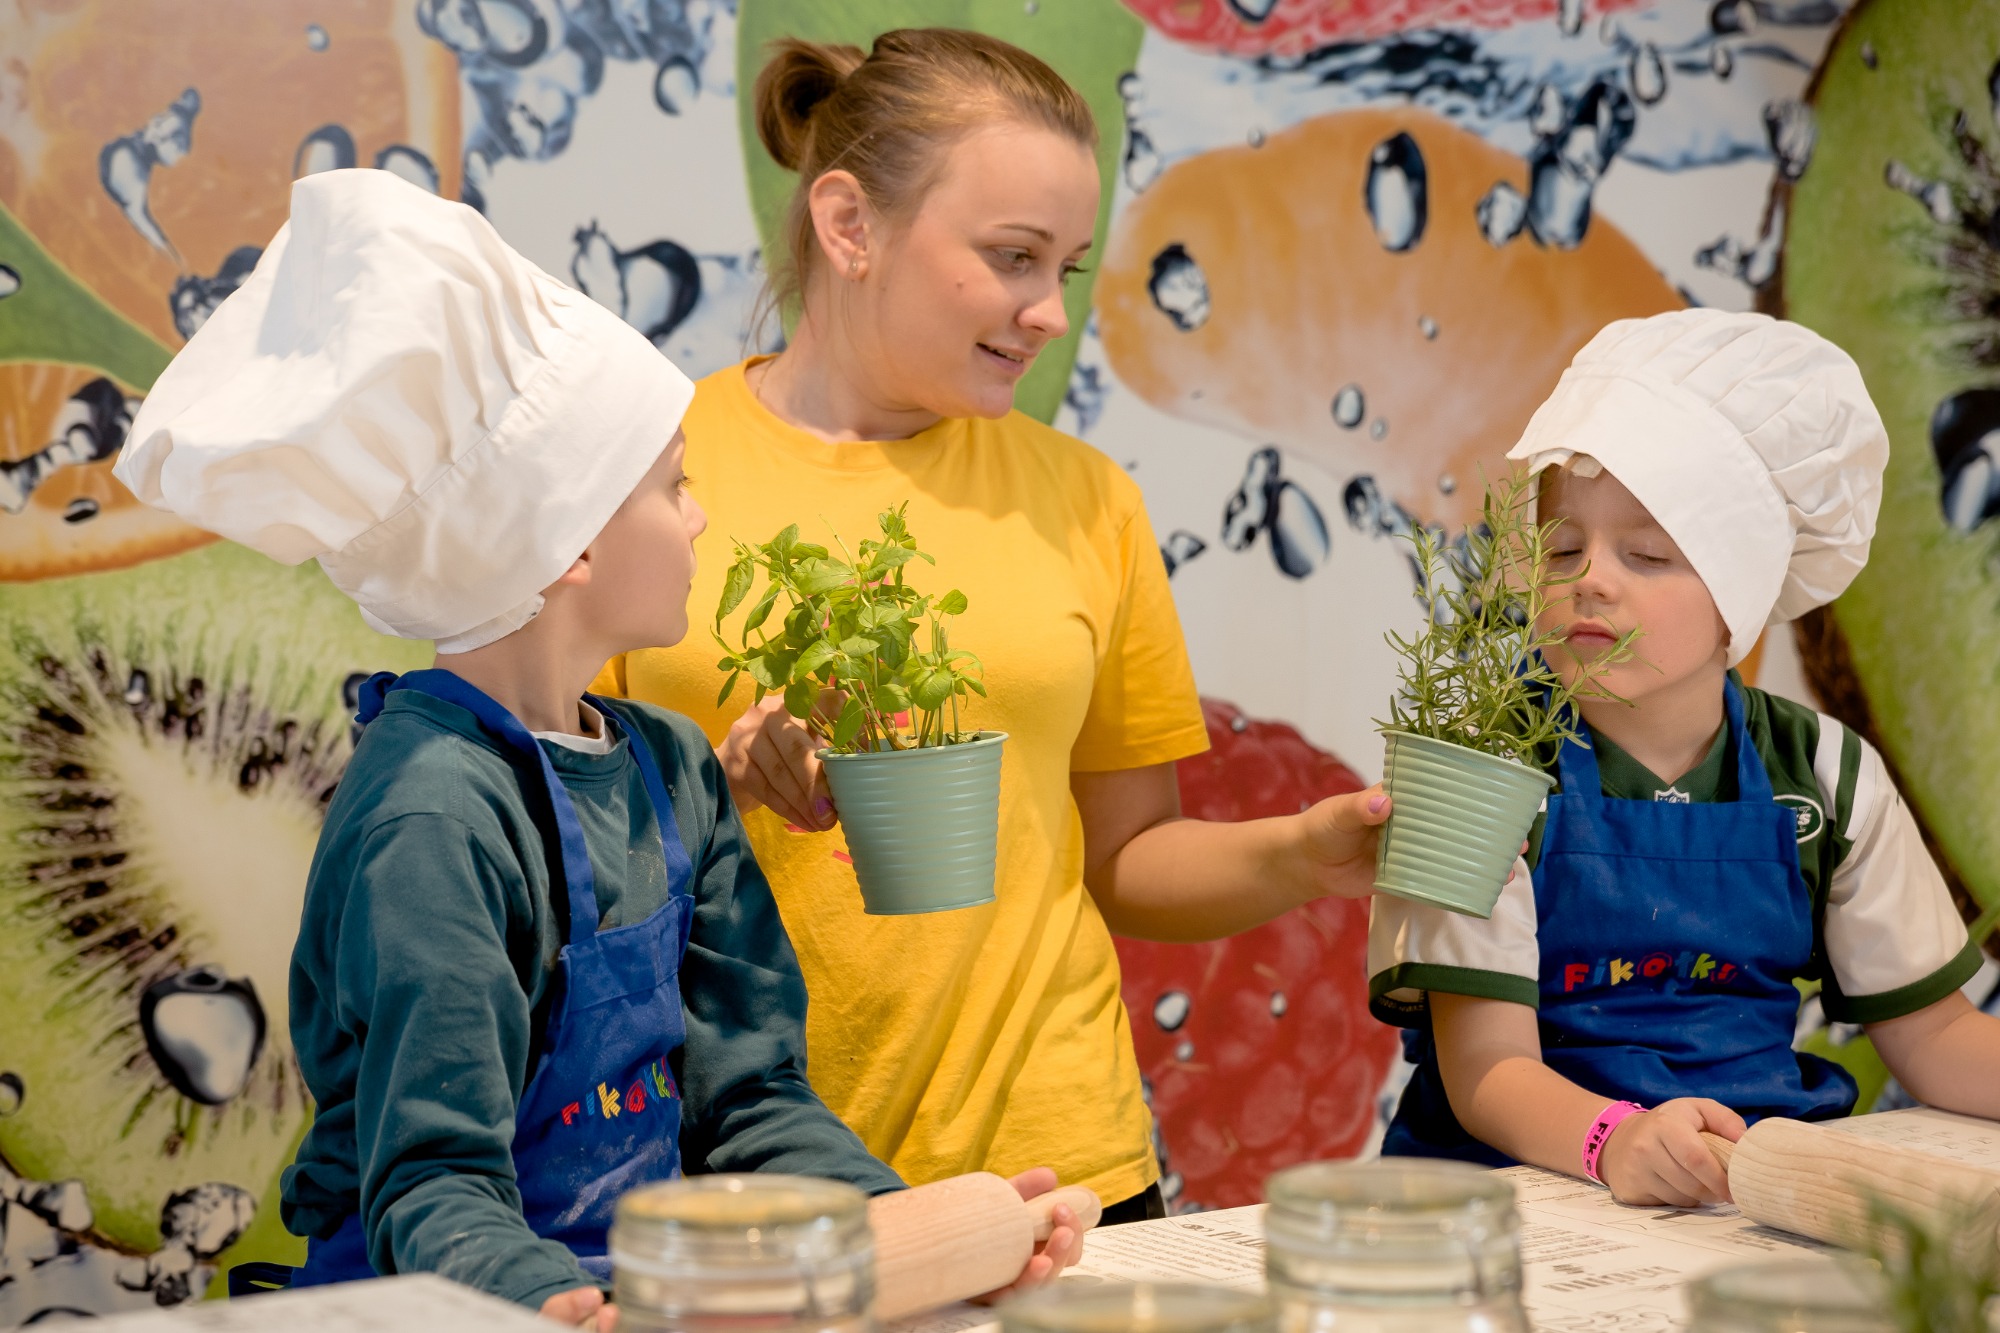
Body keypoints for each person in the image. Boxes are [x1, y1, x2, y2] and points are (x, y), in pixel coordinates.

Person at [113, 168, 1081, 1325]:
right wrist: (552, 1301)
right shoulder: (432, 819)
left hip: (647, 1294)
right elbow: (432, 1181)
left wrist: (908, 1233)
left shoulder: (671, 767)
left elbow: (747, 1101)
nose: (700, 516)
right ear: (568, 544)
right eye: (674, 487)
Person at [596, 28, 1390, 1223]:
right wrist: (713, 784)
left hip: (1059, 1181)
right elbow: (551, 870)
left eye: (1064, 268)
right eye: (1013, 257)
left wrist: (1297, 855)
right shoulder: (643, 478)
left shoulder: (1087, 501)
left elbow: (1124, 858)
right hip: (739, 1183)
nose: (1047, 313)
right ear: (848, 224)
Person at [1368, 309, 2000, 1206]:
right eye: (1562, 548)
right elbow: (1488, 1069)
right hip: (1514, 1196)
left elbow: (1932, 1036)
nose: (1592, 578)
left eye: (1649, 554)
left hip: (1747, 1188)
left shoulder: (1826, 774)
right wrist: (1614, 1140)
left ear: (1743, 593)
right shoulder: (1477, 768)